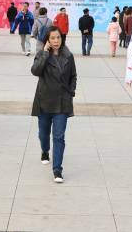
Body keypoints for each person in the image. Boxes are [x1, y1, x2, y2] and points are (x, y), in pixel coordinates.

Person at [31, 26, 77, 184]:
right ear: (47, 41)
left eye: (58, 37)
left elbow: (73, 76)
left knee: (59, 137)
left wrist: (71, 91)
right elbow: (35, 71)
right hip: (44, 101)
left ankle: (57, 169)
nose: (56, 41)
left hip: (62, 102)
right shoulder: (42, 54)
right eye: (52, 38)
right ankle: (45, 150)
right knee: (43, 134)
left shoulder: (68, 55)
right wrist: (44, 53)